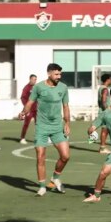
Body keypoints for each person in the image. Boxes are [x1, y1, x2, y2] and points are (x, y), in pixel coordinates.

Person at [19, 63, 71, 196]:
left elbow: (65, 106)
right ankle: (42, 186)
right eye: (56, 74)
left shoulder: (63, 87)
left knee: (65, 156)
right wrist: (23, 112)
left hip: (57, 127)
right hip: (41, 127)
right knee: (40, 157)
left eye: (60, 74)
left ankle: (55, 177)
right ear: (49, 73)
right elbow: (30, 103)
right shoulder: (38, 87)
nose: (59, 76)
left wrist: (67, 123)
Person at [19, 74, 37, 144]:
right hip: (29, 110)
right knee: (26, 124)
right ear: (30, 79)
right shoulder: (26, 88)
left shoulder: (36, 87)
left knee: (38, 124)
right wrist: (27, 108)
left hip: (36, 109)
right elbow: (23, 98)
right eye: (33, 79)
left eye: (35, 79)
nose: (35, 81)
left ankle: (37, 138)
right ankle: (22, 138)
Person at [97, 74, 111, 154]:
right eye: (110, 79)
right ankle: (102, 148)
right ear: (107, 79)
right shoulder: (105, 89)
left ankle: (103, 147)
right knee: (105, 129)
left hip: (102, 111)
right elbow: (103, 101)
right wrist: (107, 111)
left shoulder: (101, 88)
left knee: (106, 129)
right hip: (105, 112)